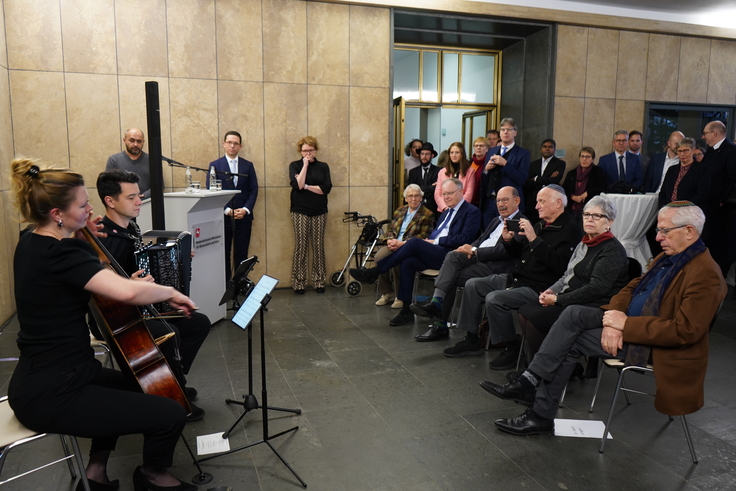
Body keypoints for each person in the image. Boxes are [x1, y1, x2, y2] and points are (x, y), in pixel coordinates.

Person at [8, 158, 198, 491]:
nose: (91, 210)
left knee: (143, 391)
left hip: (56, 375)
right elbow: (125, 290)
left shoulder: (30, 241)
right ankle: (151, 475)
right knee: (169, 412)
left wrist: (79, 233)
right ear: (57, 214)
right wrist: (170, 290)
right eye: (82, 205)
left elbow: (67, 264)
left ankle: (95, 474)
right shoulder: (63, 255)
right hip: (54, 392)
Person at [483, 202, 726, 437]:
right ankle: (531, 383)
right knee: (573, 313)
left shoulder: (705, 274)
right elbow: (631, 288)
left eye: (664, 230)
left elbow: (684, 331)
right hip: (627, 323)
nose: (658, 237)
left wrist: (625, 326)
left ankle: (539, 409)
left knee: (570, 340)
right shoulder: (669, 256)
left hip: (658, 346)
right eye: (658, 230)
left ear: (690, 231)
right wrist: (614, 319)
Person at [96, 169, 212, 422]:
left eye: (139, 195)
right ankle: (170, 393)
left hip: (140, 307)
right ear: (110, 201)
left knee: (198, 323)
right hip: (117, 316)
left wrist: (174, 260)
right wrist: (127, 283)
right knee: (169, 333)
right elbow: (99, 289)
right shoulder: (103, 238)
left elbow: (144, 265)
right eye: (132, 197)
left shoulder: (132, 227)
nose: (139, 201)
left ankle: (172, 380)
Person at [443, 185, 582, 364]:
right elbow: (520, 254)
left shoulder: (570, 229)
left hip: (540, 286)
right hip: (517, 278)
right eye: (537, 201)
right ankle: (472, 339)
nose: (537, 206)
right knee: (473, 285)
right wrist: (509, 242)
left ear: (558, 203)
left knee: (494, 299)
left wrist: (534, 239)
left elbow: (560, 265)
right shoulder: (541, 224)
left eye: (541, 201)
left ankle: (511, 346)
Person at [350, 178, 481, 326]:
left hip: (452, 256)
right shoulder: (445, 213)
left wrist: (433, 242)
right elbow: (434, 234)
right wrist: (429, 242)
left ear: (461, 192)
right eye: (443, 194)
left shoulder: (471, 212)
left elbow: (464, 238)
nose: (446, 197)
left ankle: (375, 271)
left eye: (450, 193)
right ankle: (406, 311)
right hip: (435, 251)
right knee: (408, 262)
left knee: (414, 242)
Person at [517, 195, 629, 365]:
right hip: (569, 298)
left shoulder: (612, 250)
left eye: (597, 216)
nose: (590, 219)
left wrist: (558, 300)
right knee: (525, 311)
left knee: (537, 320)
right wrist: (552, 290)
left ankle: (543, 371)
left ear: (610, 222)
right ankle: (537, 366)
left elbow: (595, 289)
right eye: (586, 215)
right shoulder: (585, 242)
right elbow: (567, 275)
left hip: (590, 305)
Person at [410, 186, 522, 342]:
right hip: (477, 258)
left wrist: (475, 250)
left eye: (505, 200)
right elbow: (482, 239)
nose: (500, 204)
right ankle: (436, 304)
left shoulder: (520, 223)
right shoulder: (496, 220)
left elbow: (505, 252)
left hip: (495, 267)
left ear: (517, 200)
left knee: (450, 277)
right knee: (453, 255)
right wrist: (467, 248)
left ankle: (440, 322)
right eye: (498, 201)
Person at [206, 131, 259, 280]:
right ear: (224, 144)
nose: (232, 146)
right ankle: (226, 285)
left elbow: (253, 189)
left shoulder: (248, 166)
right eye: (229, 142)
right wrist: (227, 210)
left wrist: (246, 209)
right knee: (224, 252)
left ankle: (240, 283)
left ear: (240, 146)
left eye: (235, 143)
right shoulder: (215, 165)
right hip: (224, 218)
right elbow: (212, 191)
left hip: (243, 217)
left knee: (242, 253)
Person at [374, 184, 435, 310]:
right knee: (378, 257)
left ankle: (400, 296)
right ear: (406, 198)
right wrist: (390, 240)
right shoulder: (399, 210)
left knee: (399, 261)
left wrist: (402, 243)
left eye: (416, 196)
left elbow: (424, 236)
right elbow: (391, 228)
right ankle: (387, 292)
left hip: (410, 246)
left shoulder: (427, 214)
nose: (413, 199)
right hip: (395, 244)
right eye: (410, 196)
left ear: (421, 197)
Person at [289, 136, 332, 294]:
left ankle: (319, 281)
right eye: (305, 150)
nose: (308, 153)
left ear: (316, 150)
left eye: (311, 150)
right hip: (300, 210)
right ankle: (299, 282)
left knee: (318, 246)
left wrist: (306, 185)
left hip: (320, 210)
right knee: (301, 246)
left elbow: (325, 189)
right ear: (300, 151)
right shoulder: (295, 165)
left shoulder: (323, 166)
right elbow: (298, 186)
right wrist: (305, 165)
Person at [479, 118, 530, 229]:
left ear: (515, 132)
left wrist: (505, 164)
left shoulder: (523, 153)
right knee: (487, 235)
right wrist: (486, 169)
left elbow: (521, 179)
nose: (505, 132)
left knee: (508, 236)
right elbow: (483, 177)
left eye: (509, 129)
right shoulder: (492, 151)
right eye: (502, 130)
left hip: (509, 204)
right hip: (490, 202)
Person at [700, 120, 736, 276]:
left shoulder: (731, 150)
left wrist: (721, 199)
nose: (703, 137)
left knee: (719, 245)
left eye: (705, 133)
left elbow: (733, 179)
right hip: (708, 206)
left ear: (715, 133)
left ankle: (717, 278)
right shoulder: (711, 150)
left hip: (722, 209)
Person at [658, 138, 710, 209]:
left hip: (690, 211)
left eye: (686, 151)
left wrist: (685, 207)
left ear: (693, 150)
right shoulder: (672, 169)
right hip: (669, 210)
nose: (682, 154)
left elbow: (702, 194)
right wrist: (663, 207)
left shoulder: (701, 169)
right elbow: (663, 192)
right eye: (679, 151)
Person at [523, 139, 566, 223]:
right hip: (533, 200)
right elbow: (527, 182)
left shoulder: (559, 163)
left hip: (550, 200)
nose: (547, 149)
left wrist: (536, 178)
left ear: (554, 149)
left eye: (550, 147)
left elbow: (555, 181)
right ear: (541, 149)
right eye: (545, 147)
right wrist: (548, 178)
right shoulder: (533, 164)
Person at [562, 147, 607, 219]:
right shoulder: (572, 173)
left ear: (592, 159)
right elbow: (564, 190)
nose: (584, 159)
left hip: (590, 209)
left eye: (588, 157)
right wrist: (573, 197)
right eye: (582, 156)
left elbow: (603, 187)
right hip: (571, 209)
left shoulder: (598, 171)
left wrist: (587, 193)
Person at [106, 128, 151, 199]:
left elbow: (159, 185)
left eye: (139, 141)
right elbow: (108, 185)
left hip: (148, 203)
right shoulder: (114, 160)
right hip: (122, 205)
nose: (135, 144)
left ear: (143, 142)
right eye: (132, 140)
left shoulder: (152, 160)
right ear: (125, 140)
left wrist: (143, 196)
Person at [434, 142, 477, 212]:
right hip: (444, 210)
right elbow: (437, 194)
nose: (454, 155)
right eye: (451, 152)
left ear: (462, 154)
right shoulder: (442, 172)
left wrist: (458, 209)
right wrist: (445, 208)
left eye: (457, 152)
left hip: (462, 210)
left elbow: (468, 194)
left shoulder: (470, 171)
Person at [407, 142, 441, 217]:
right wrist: (429, 188)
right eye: (422, 154)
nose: (424, 157)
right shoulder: (413, 172)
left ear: (432, 155)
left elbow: (437, 188)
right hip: (417, 206)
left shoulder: (439, 171)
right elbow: (411, 188)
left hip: (434, 207)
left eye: (427, 154)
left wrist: (419, 188)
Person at [469, 137, 490, 206]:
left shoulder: (489, 163)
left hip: (483, 200)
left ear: (487, 148)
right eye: (476, 145)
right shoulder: (469, 163)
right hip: (469, 199)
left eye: (481, 146)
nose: (478, 148)